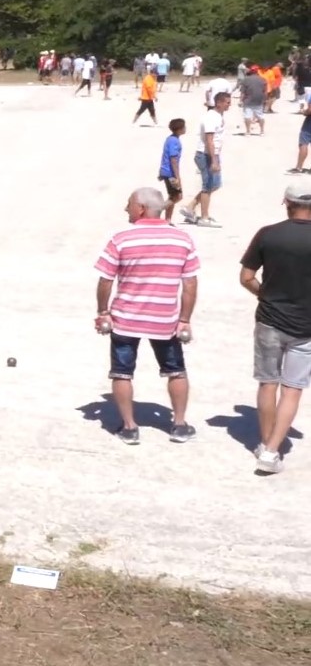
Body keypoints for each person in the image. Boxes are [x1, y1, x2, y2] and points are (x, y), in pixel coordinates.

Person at [94, 187, 200, 446]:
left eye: (129, 203)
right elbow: (189, 283)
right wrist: (184, 319)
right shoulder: (182, 239)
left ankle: (129, 428)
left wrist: (103, 312)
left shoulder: (121, 239)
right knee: (176, 371)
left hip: (125, 319)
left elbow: (106, 280)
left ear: (141, 208)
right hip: (165, 320)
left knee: (121, 373)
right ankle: (179, 424)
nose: (126, 208)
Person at [239, 180, 311, 474]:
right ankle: (271, 452)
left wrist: (264, 294)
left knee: (267, 383)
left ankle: (265, 443)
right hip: (306, 326)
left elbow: (246, 277)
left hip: (269, 319)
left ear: (287, 203)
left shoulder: (268, 234)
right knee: (292, 389)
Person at [180, 91, 229, 228]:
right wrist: (213, 160)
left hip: (212, 154)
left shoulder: (218, 116)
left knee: (215, 184)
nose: (229, 105)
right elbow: (209, 140)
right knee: (208, 186)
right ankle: (204, 218)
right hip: (206, 155)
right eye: (227, 102)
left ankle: (190, 207)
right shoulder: (211, 117)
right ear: (219, 103)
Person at [159, 119, 184, 221]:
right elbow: (173, 159)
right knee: (178, 196)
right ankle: (157, 209)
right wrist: (177, 177)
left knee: (172, 196)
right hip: (170, 173)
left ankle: (168, 219)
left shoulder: (170, 139)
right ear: (179, 129)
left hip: (166, 171)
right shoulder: (174, 141)